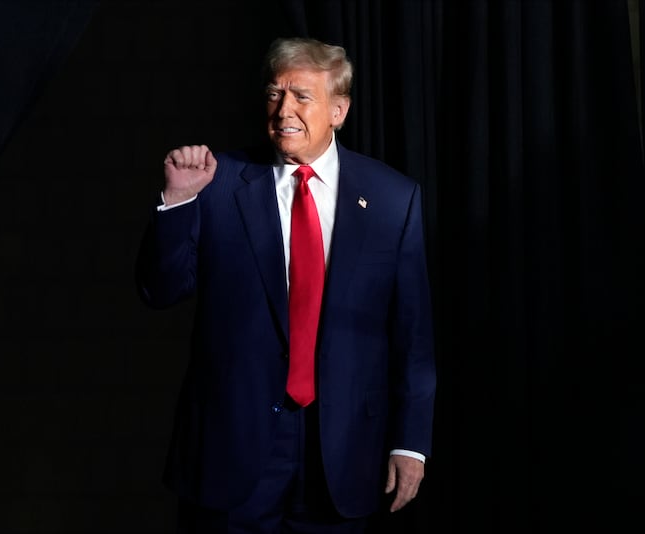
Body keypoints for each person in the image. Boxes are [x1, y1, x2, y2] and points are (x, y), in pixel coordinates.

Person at [136, 36, 436, 533]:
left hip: (341, 450)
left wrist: (410, 442)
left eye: (301, 96)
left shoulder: (392, 198)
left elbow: (413, 334)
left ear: (339, 110)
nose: (283, 110)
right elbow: (159, 290)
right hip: (233, 447)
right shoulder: (219, 182)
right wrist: (177, 203)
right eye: (274, 94)